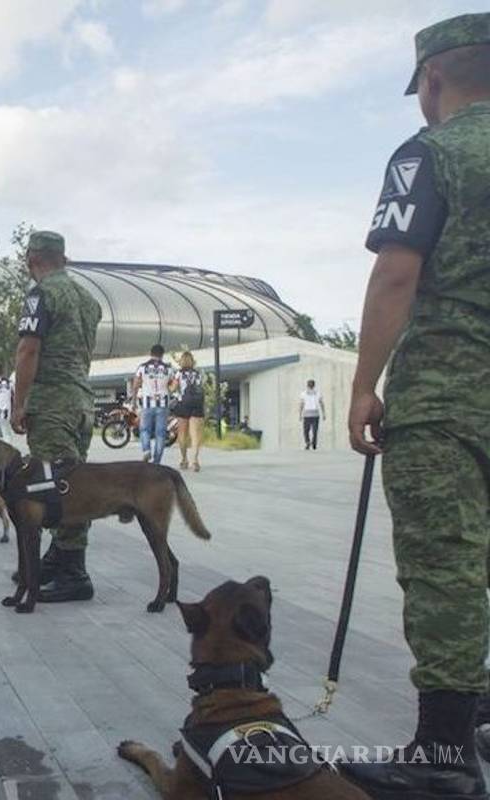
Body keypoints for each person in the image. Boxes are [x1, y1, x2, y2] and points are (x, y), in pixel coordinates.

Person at [344, 13, 490, 799]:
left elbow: (396, 273)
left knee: (446, 569)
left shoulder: (429, 152)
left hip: (448, 400)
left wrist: (365, 383)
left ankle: (444, 756)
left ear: (433, 80)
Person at [12, 231, 102, 603]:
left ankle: (73, 572)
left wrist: (19, 403)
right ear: (63, 258)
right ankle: (58, 556)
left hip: (52, 404)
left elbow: (28, 350)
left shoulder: (41, 295)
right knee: (68, 480)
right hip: (81, 402)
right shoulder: (89, 299)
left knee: (57, 486)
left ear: (31, 258)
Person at [130, 344, 175, 464]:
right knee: (160, 433)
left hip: (147, 403)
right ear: (162, 354)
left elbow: (135, 385)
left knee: (144, 430)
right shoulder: (168, 369)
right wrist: (168, 391)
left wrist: (134, 401)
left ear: (151, 353)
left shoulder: (142, 367)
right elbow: (174, 384)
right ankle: (157, 461)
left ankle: (146, 450)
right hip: (163, 404)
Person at [171, 351, 205, 471]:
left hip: (183, 404)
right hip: (197, 404)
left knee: (182, 434)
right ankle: (194, 461)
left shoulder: (179, 374)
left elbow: (173, 388)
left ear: (182, 362)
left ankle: (184, 459)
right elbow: (201, 387)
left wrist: (171, 388)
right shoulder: (198, 374)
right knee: (195, 434)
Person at [298, 379, 325, 450]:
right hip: (307, 414)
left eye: (311, 384)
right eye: (309, 384)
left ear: (313, 385)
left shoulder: (318, 393)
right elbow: (301, 404)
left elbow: (321, 403)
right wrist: (300, 414)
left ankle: (313, 443)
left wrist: (323, 413)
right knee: (306, 430)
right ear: (308, 385)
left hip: (314, 414)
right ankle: (308, 442)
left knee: (314, 430)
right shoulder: (303, 394)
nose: (310, 385)